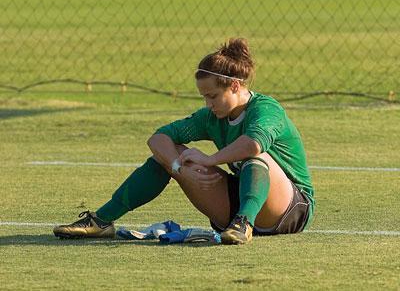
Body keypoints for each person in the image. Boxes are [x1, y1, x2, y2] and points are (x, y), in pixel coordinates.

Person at [53, 38, 315, 245]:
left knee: (256, 157)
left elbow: (252, 146)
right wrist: (177, 166)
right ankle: (102, 221)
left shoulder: (266, 109)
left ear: (235, 86)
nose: (208, 104)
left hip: (290, 209)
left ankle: (243, 224)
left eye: (213, 96)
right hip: (235, 205)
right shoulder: (211, 116)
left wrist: (209, 160)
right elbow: (158, 138)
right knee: (168, 154)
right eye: (204, 97)